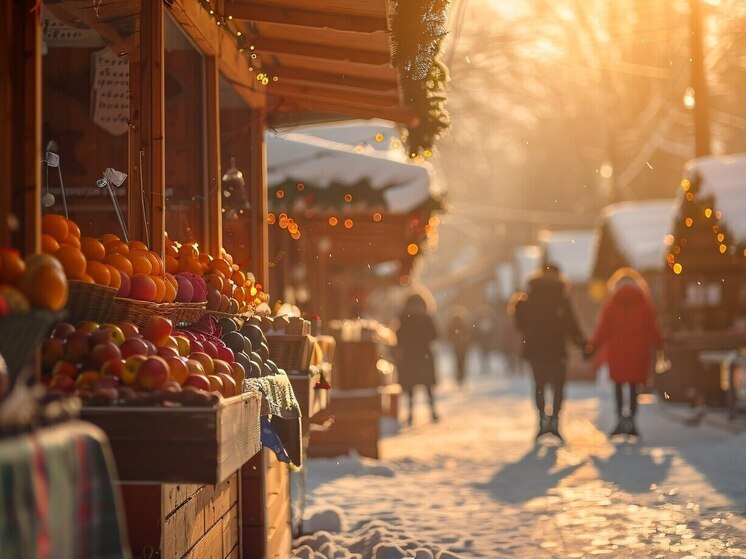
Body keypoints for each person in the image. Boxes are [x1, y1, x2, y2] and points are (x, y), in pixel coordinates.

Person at [587, 268, 664, 437]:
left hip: (617, 352)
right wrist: (660, 346)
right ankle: (631, 421)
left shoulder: (611, 304)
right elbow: (653, 328)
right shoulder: (644, 304)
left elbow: (602, 330)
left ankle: (620, 419)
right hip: (638, 352)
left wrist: (591, 347)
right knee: (633, 386)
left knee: (618, 385)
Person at [514, 264, 586, 440]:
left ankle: (541, 419)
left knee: (539, 384)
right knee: (558, 385)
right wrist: (582, 345)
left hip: (535, 350)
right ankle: (554, 420)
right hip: (556, 350)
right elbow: (571, 324)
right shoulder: (561, 297)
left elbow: (519, 324)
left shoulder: (529, 296)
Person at [395, 290, 439, 426]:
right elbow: (435, 335)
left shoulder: (403, 317)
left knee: (409, 387)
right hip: (424, 354)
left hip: (409, 356)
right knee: (428, 386)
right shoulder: (426, 316)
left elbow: (398, 336)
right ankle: (432, 412)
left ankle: (410, 415)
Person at [446, 306, 472, 387]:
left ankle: (459, 376)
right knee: (462, 361)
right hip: (462, 346)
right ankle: (461, 375)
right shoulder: (463, 324)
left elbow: (449, 334)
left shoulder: (452, 324)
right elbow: (468, 334)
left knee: (457, 361)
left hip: (456, 346)